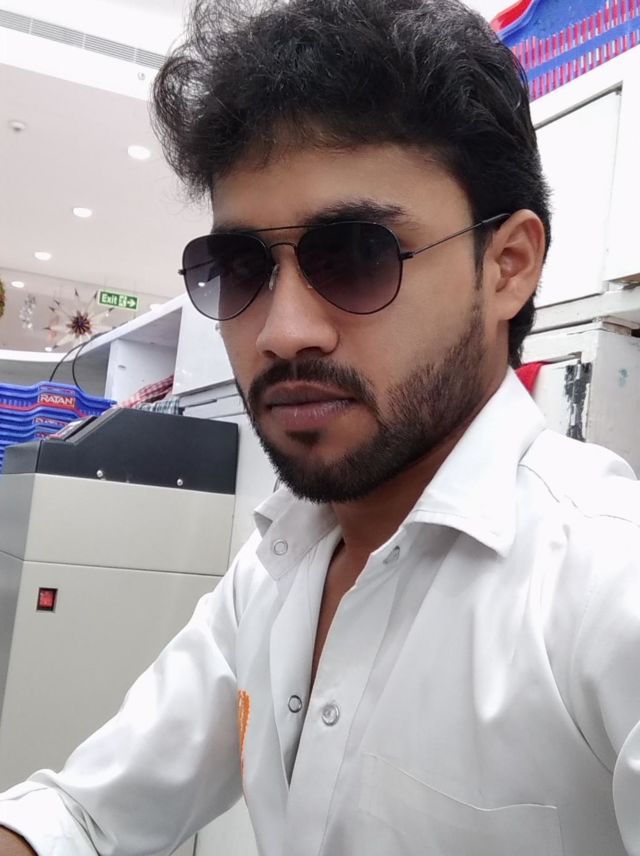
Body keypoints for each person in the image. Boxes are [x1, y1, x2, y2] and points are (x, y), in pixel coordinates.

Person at [2, 0, 640, 853]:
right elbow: (85, 813)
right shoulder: (277, 568)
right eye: (241, 268)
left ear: (507, 267)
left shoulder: (606, 586)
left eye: (357, 254)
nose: (282, 331)